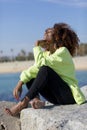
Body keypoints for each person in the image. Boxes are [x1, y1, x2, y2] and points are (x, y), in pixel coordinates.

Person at [5, 23, 86, 116]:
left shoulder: (63, 52)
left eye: (48, 33)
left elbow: (41, 65)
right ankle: (37, 100)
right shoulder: (46, 55)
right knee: (31, 76)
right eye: (44, 34)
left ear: (56, 38)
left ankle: (23, 103)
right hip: (55, 97)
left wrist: (37, 46)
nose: (44, 35)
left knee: (45, 70)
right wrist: (20, 82)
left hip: (68, 96)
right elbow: (34, 69)